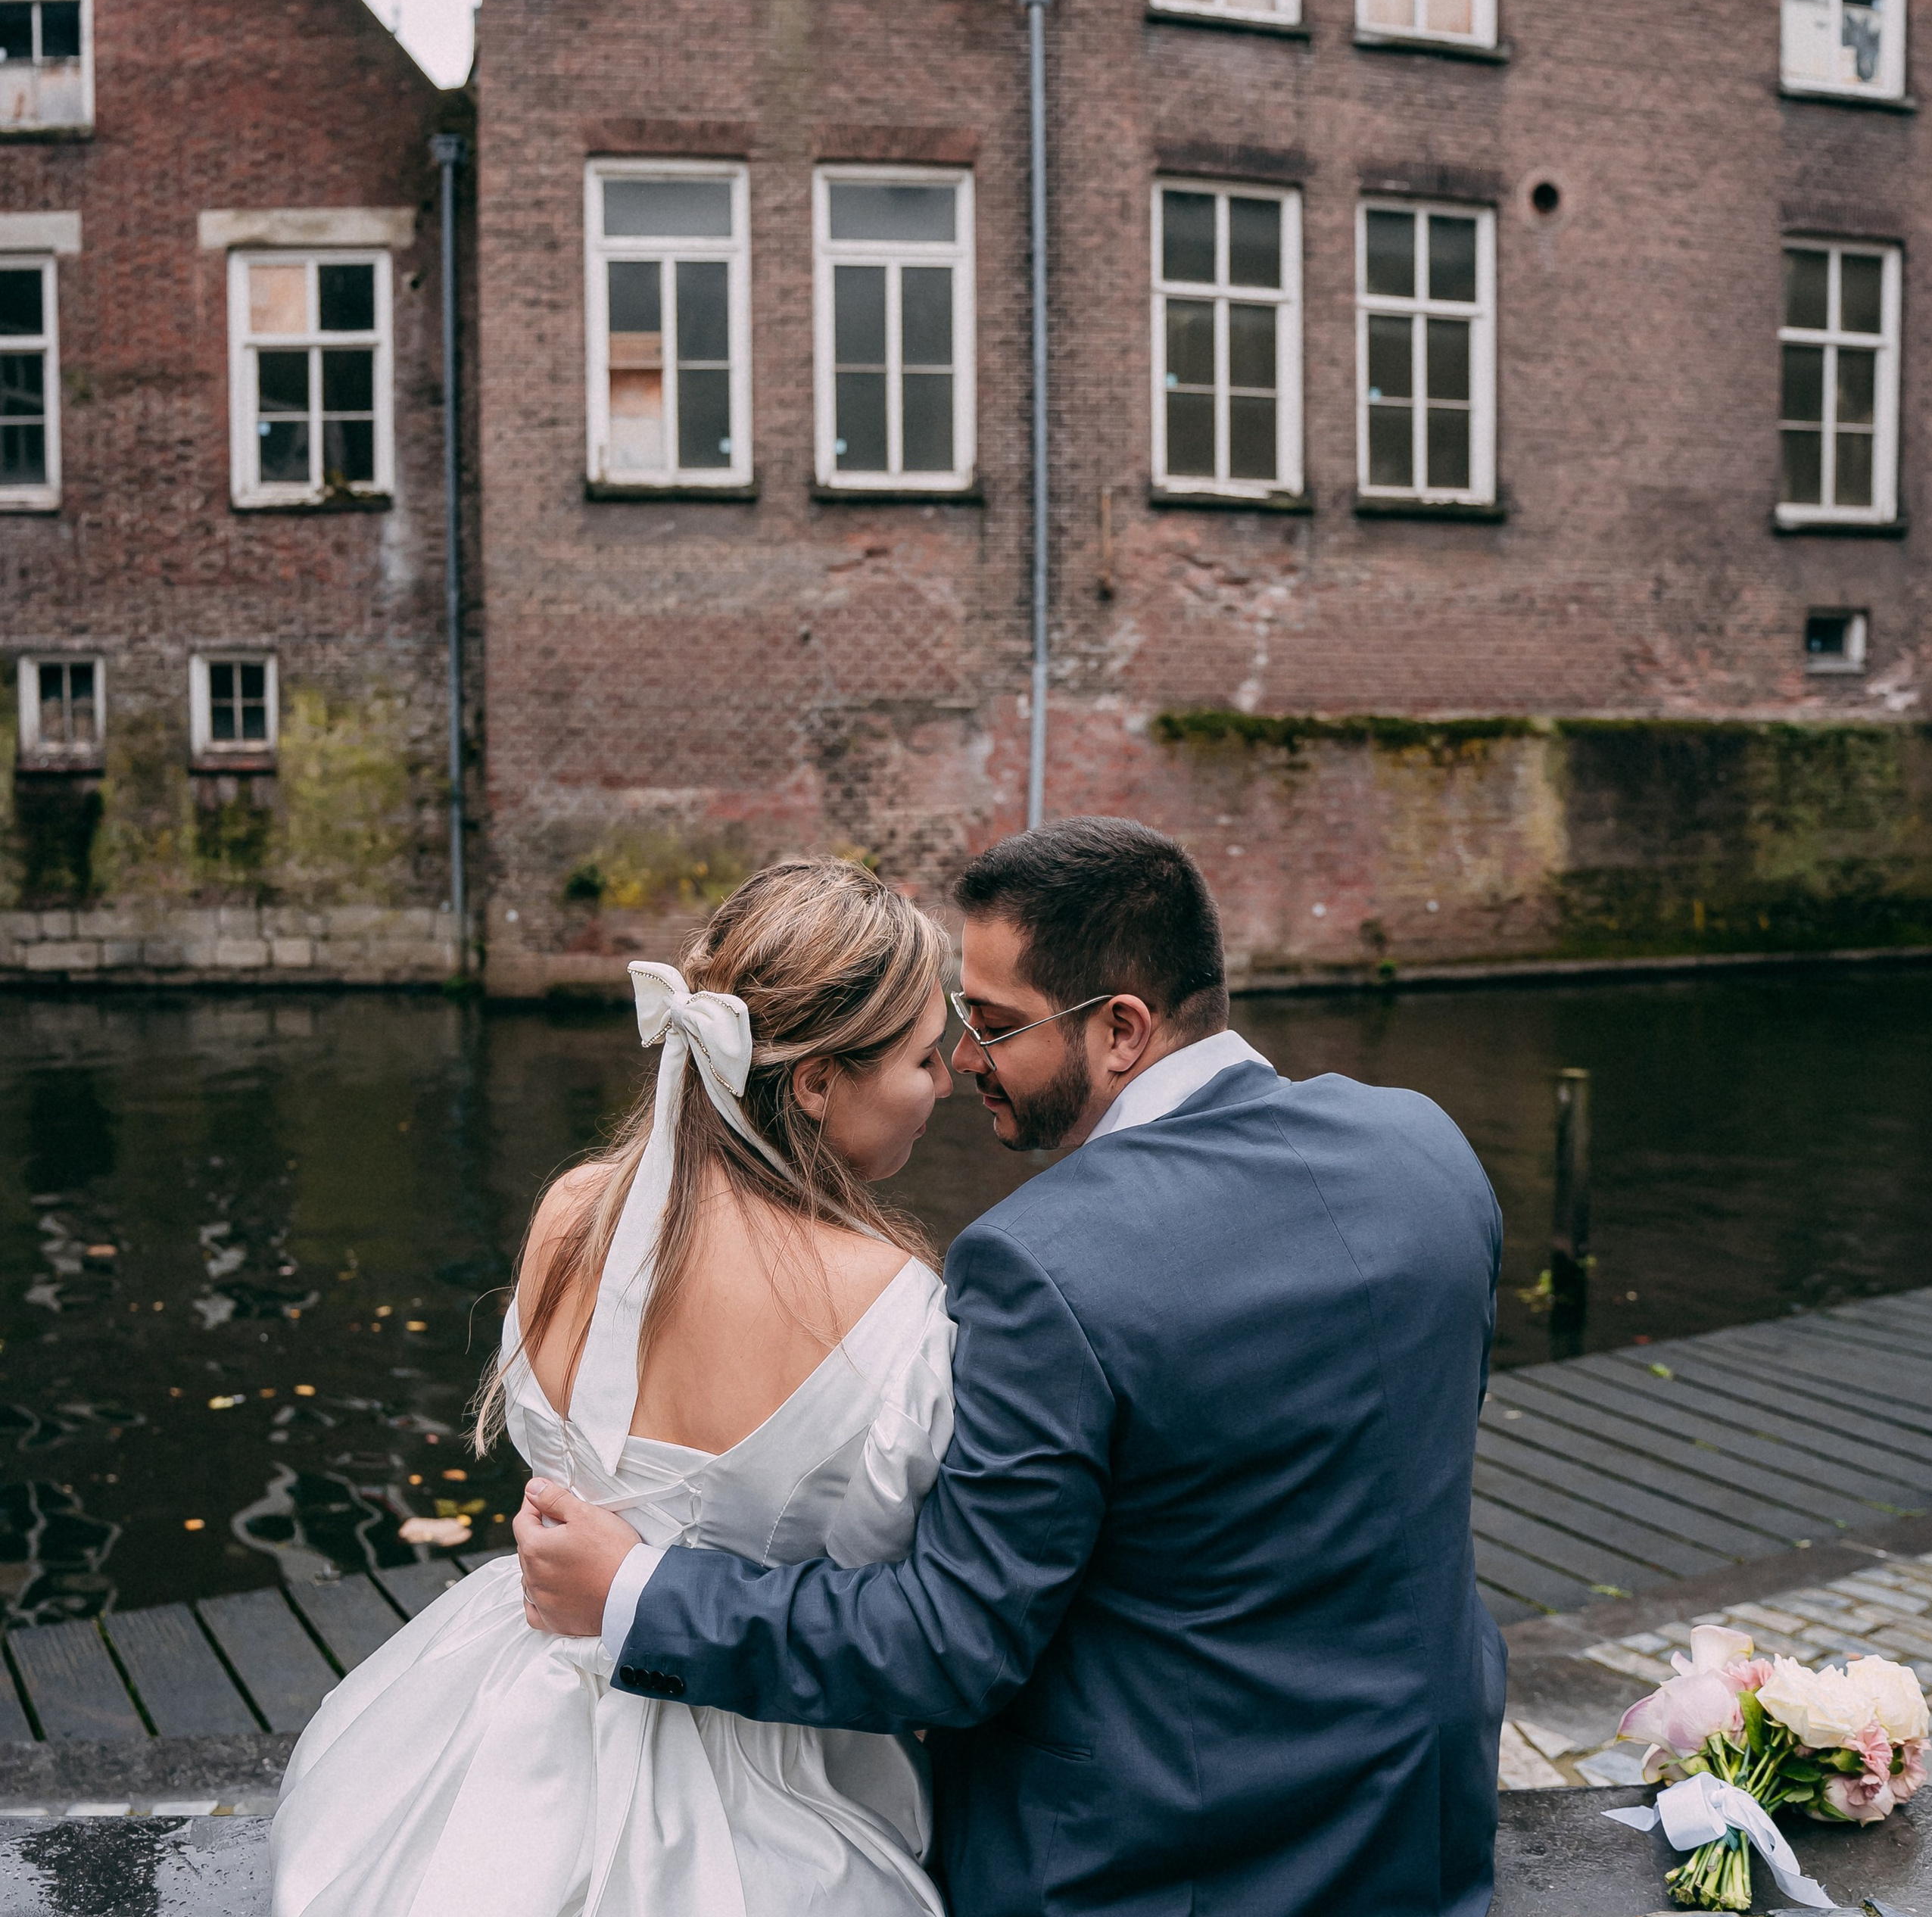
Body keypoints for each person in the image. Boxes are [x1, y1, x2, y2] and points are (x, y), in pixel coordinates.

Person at [519, 815, 1509, 1916]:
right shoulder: (1427, 1152)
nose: (962, 1065)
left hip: (1157, 1867)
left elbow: (950, 1644)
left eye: (990, 1025)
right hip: (1418, 1828)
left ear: (1121, 1030)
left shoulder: (1046, 1263)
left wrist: (637, 1595)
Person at [270, 859, 963, 1917]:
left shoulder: (572, 1210)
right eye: (925, 1057)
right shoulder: (897, 1305)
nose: (949, 1083)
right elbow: (886, 1589)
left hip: (510, 1695)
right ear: (819, 1082)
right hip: (749, 1744)